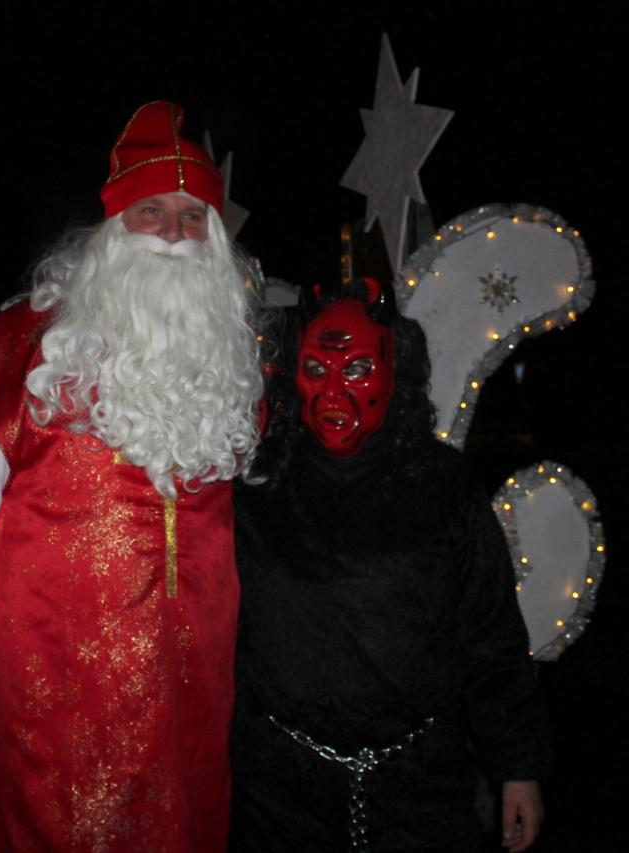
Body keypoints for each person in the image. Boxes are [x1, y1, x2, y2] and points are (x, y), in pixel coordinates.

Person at [0, 101, 264, 852]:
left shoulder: (229, 374)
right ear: (114, 231)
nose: (174, 235)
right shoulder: (19, 357)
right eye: (152, 212)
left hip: (190, 705)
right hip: (49, 708)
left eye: (193, 217)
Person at [228, 281, 551, 852]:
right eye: (315, 368)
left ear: (394, 374)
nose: (333, 392)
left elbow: (492, 634)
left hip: (420, 792)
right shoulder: (256, 485)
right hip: (278, 795)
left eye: (356, 369)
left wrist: (517, 766)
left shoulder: (445, 485)